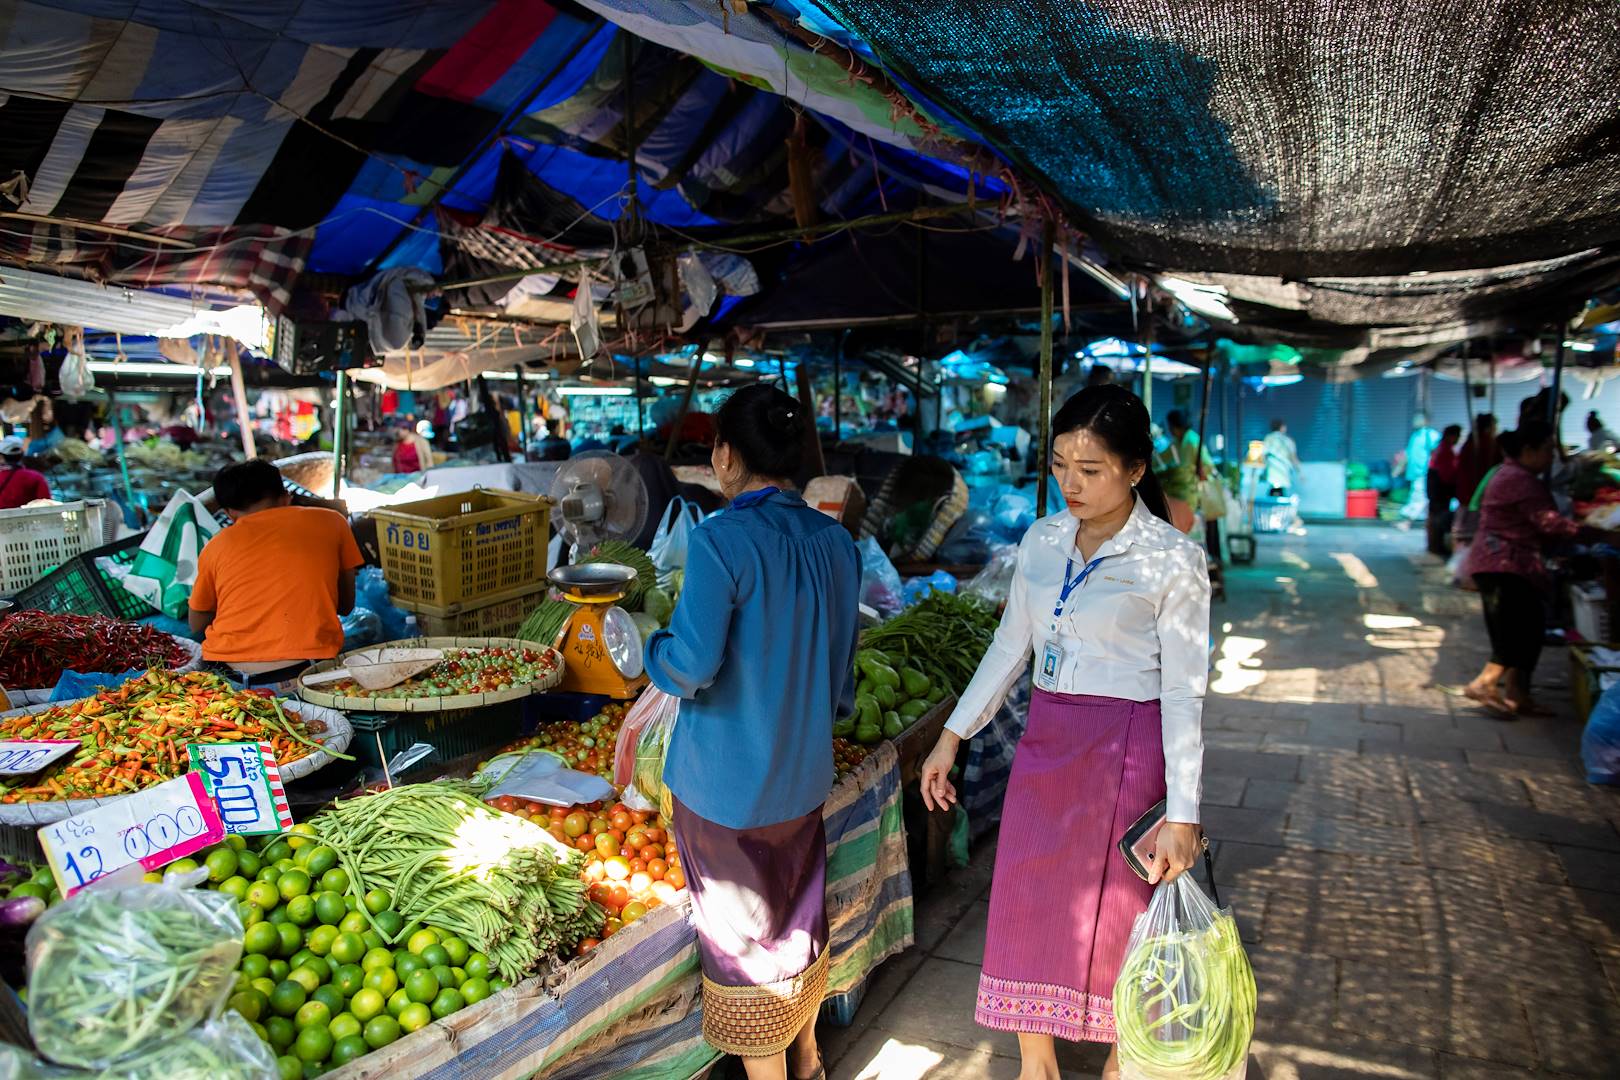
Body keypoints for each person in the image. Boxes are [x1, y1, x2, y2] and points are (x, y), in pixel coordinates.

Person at [918, 385, 1210, 1079]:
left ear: (1136, 469)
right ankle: (1036, 1062)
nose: (1070, 484)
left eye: (1091, 469)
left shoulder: (1174, 559)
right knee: (1027, 891)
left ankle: (1120, 1057)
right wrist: (951, 736)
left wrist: (1184, 812)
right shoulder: (1042, 540)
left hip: (1128, 748)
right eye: (1059, 466)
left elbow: (1185, 693)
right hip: (1047, 739)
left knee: (1121, 908)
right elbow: (1009, 645)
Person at [643, 385, 860, 1080]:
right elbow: (843, 678)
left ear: (726, 454)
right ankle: (810, 1056)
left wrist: (649, 649)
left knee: (744, 950)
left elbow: (691, 665)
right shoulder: (836, 542)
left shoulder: (720, 541)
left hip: (724, 792)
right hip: (801, 778)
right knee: (794, 924)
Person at [1461, 421, 1615, 716]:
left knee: (1527, 631)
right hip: (1503, 564)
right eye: (1547, 450)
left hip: (1509, 563)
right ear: (1528, 450)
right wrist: (1598, 532)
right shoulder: (1517, 478)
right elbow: (1548, 522)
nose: (1551, 457)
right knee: (1517, 630)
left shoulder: (1518, 475)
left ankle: (1518, 694)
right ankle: (1485, 683)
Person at [188, 460, 364, 686]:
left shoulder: (216, 545)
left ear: (229, 513)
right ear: (286, 496)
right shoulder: (332, 521)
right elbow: (346, 605)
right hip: (309, 673)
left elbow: (196, 624)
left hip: (231, 679)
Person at [1452, 413, 1501, 553]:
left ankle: (1459, 561)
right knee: (1471, 532)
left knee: (1462, 530)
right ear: (1489, 427)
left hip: (1465, 493)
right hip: (1476, 494)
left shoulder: (1470, 443)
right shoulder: (1487, 444)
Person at [1426, 424, 1462, 558]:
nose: (1458, 439)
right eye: (1457, 436)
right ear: (1450, 436)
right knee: (1437, 518)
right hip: (1439, 489)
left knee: (1434, 517)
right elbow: (1447, 474)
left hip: (1436, 488)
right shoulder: (1445, 451)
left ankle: (1434, 546)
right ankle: (1435, 546)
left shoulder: (1442, 449)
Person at [1401, 413, 1442, 521]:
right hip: (1415, 472)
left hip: (1424, 472)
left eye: (1419, 418)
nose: (1415, 421)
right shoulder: (1415, 435)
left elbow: (1438, 452)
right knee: (1416, 496)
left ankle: (1407, 521)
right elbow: (1409, 453)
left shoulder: (1431, 435)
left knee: (1418, 497)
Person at [0, 437, 50, 509]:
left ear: (1, 456)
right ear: (22, 454)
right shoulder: (36, 477)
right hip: (30, 519)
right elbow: (46, 504)